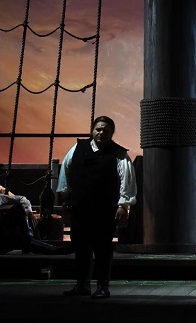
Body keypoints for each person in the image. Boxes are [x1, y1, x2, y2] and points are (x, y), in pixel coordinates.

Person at [57, 116, 137, 300]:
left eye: (106, 130)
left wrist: (123, 205)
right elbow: (66, 170)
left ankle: (102, 286)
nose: (101, 132)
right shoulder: (78, 148)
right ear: (92, 130)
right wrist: (65, 196)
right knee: (80, 246)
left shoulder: (118, 154)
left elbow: (126, 179)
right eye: (98, 129)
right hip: (80, 206)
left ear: (111, 133)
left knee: (103, 248)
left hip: (105, 208)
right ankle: (82, 285)